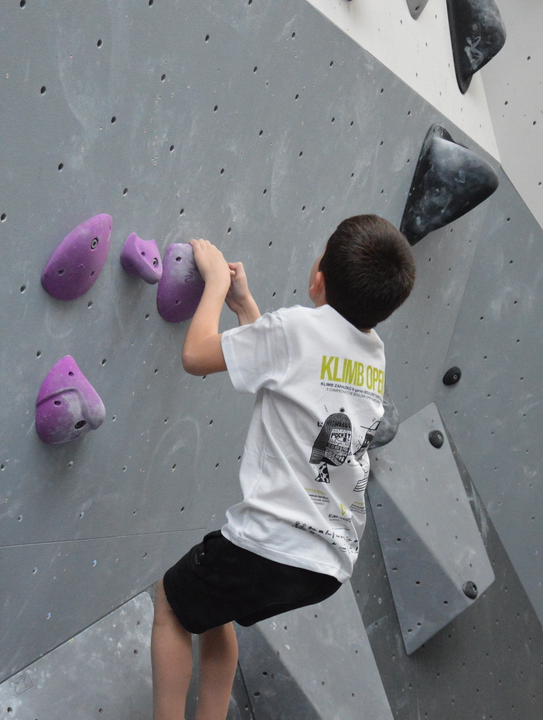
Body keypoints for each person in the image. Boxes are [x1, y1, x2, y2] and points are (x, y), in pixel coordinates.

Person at [150, 214, 416, 720]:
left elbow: (196, 355)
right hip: (326, 563)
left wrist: (214, 284)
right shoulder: (370, 355)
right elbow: (283, 372)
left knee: (170, 602)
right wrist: (245, 306)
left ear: (318, 277)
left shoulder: (297, 327)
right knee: (213, 611)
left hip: (273, 541)